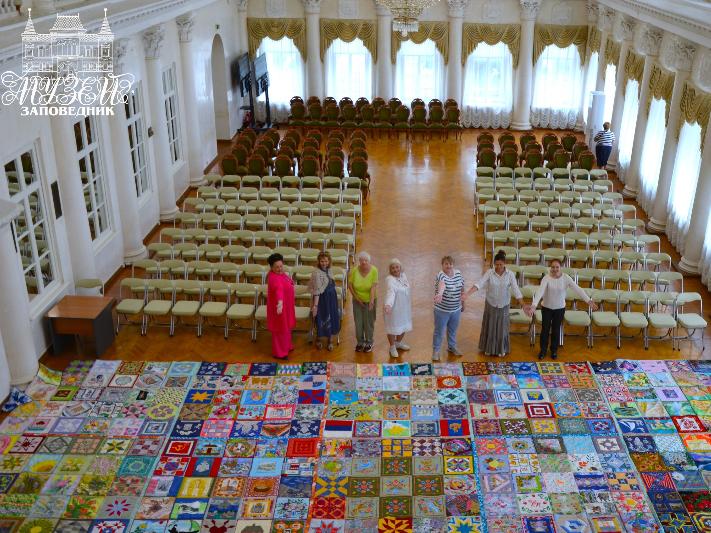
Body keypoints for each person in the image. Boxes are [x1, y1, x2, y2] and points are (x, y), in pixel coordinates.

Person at [525, 259, 598, 360]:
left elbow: (578, 289)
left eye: (557, 267)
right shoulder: (546, 278)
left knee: (556, 330)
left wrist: (588, 301)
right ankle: (543, 350)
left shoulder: (566, 278)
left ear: (560, 268)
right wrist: (533, 305)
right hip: (546, 308)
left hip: (559, 309)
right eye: (553, 267)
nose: (555, 269)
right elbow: (540, 292)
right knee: (545, 329)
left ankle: (554, 350)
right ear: (550, 268)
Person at [463, 250, 527, 357]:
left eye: (500, 264)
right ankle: (488, 348)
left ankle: (501, 349)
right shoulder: (489, 272)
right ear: (493, 264)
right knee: (491, 326)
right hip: (491, 303)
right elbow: (479, 284)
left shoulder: (510, 274)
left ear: (504, 263)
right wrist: (467, 294)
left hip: (504, 305)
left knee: (502, 328)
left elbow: (516, 291)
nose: (498, 267)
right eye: (496, 264)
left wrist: (524, 305)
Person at [433, 256, 465, 361]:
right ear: (442, 265)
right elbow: (442, 285)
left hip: (456, 309)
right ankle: (436, 351)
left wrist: (463, 303)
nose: (448, 266)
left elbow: (462, 288)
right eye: (446, 264)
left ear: (453, 265)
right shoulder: (440, 275)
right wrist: (440, 294)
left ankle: (452, 346)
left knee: (453, 330)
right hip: (442, 310)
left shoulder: (458, 274)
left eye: (450, 264)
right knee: (439, 331)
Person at [266, 253, 295, 359]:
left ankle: (287, 346)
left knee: (286, 328)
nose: (279, 269)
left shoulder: (281, 274)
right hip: (279, 307)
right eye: (277, 267)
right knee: (280, 330)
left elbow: (288, 282)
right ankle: (280, 353)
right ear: (271, 267)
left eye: (281, 266)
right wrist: (280, 304)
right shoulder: (274, 278)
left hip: (286, 306)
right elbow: (279, 290)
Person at [309, 251, 340, 351]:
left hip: (331, 297)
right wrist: (315, 306)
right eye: (322, 261)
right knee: (321, 317)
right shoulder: (316, 273)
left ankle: (330, 340)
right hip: (321, 299)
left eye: (326, 261)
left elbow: (331, 282)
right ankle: (318, 338)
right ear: (318, 261)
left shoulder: (329, 269)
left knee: (331, 316)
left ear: (329, 261)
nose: (324, 263)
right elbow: (317, 291)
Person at [348, 251, 378, 352]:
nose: (364, 262)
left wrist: (371, 301)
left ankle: (369, 342)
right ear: (359, 261)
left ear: (369, 261)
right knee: (358, 322)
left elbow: (373, 287)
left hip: (370, 299)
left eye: (366, 260)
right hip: (357, 300)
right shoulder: (354, 270)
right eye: (361, 260)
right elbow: (350, 285)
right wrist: (357, 298)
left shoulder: (374, 270)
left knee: (369, 322)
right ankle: (360, 342)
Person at [383, 258, 412, 359]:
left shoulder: (403, 275)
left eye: (397, 267)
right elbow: (390, 293)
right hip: (393, 309)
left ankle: (398, 343)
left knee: (403, 326)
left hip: (404, 307)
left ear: (400, 267)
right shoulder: (389, 280)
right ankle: (392, 347)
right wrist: (388, 305)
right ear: (390, 270)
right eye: (393, 268)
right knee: (392, 327)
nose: (395, 269)